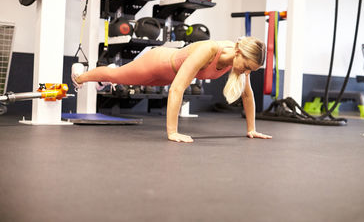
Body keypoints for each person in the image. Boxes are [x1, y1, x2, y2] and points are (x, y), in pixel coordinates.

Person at [71, 36, 272, 143]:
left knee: (120, 77)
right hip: (157, 64)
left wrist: (251, 129)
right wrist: (172, 132)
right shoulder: (210, 50)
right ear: (238, 52)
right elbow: (177, 88)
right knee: (117, 75)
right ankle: (79, 75)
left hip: (166, 77)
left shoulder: (239, 64)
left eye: (251, 70)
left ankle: (105, 78)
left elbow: (247, 94)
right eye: (247, 67)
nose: (247, 72)